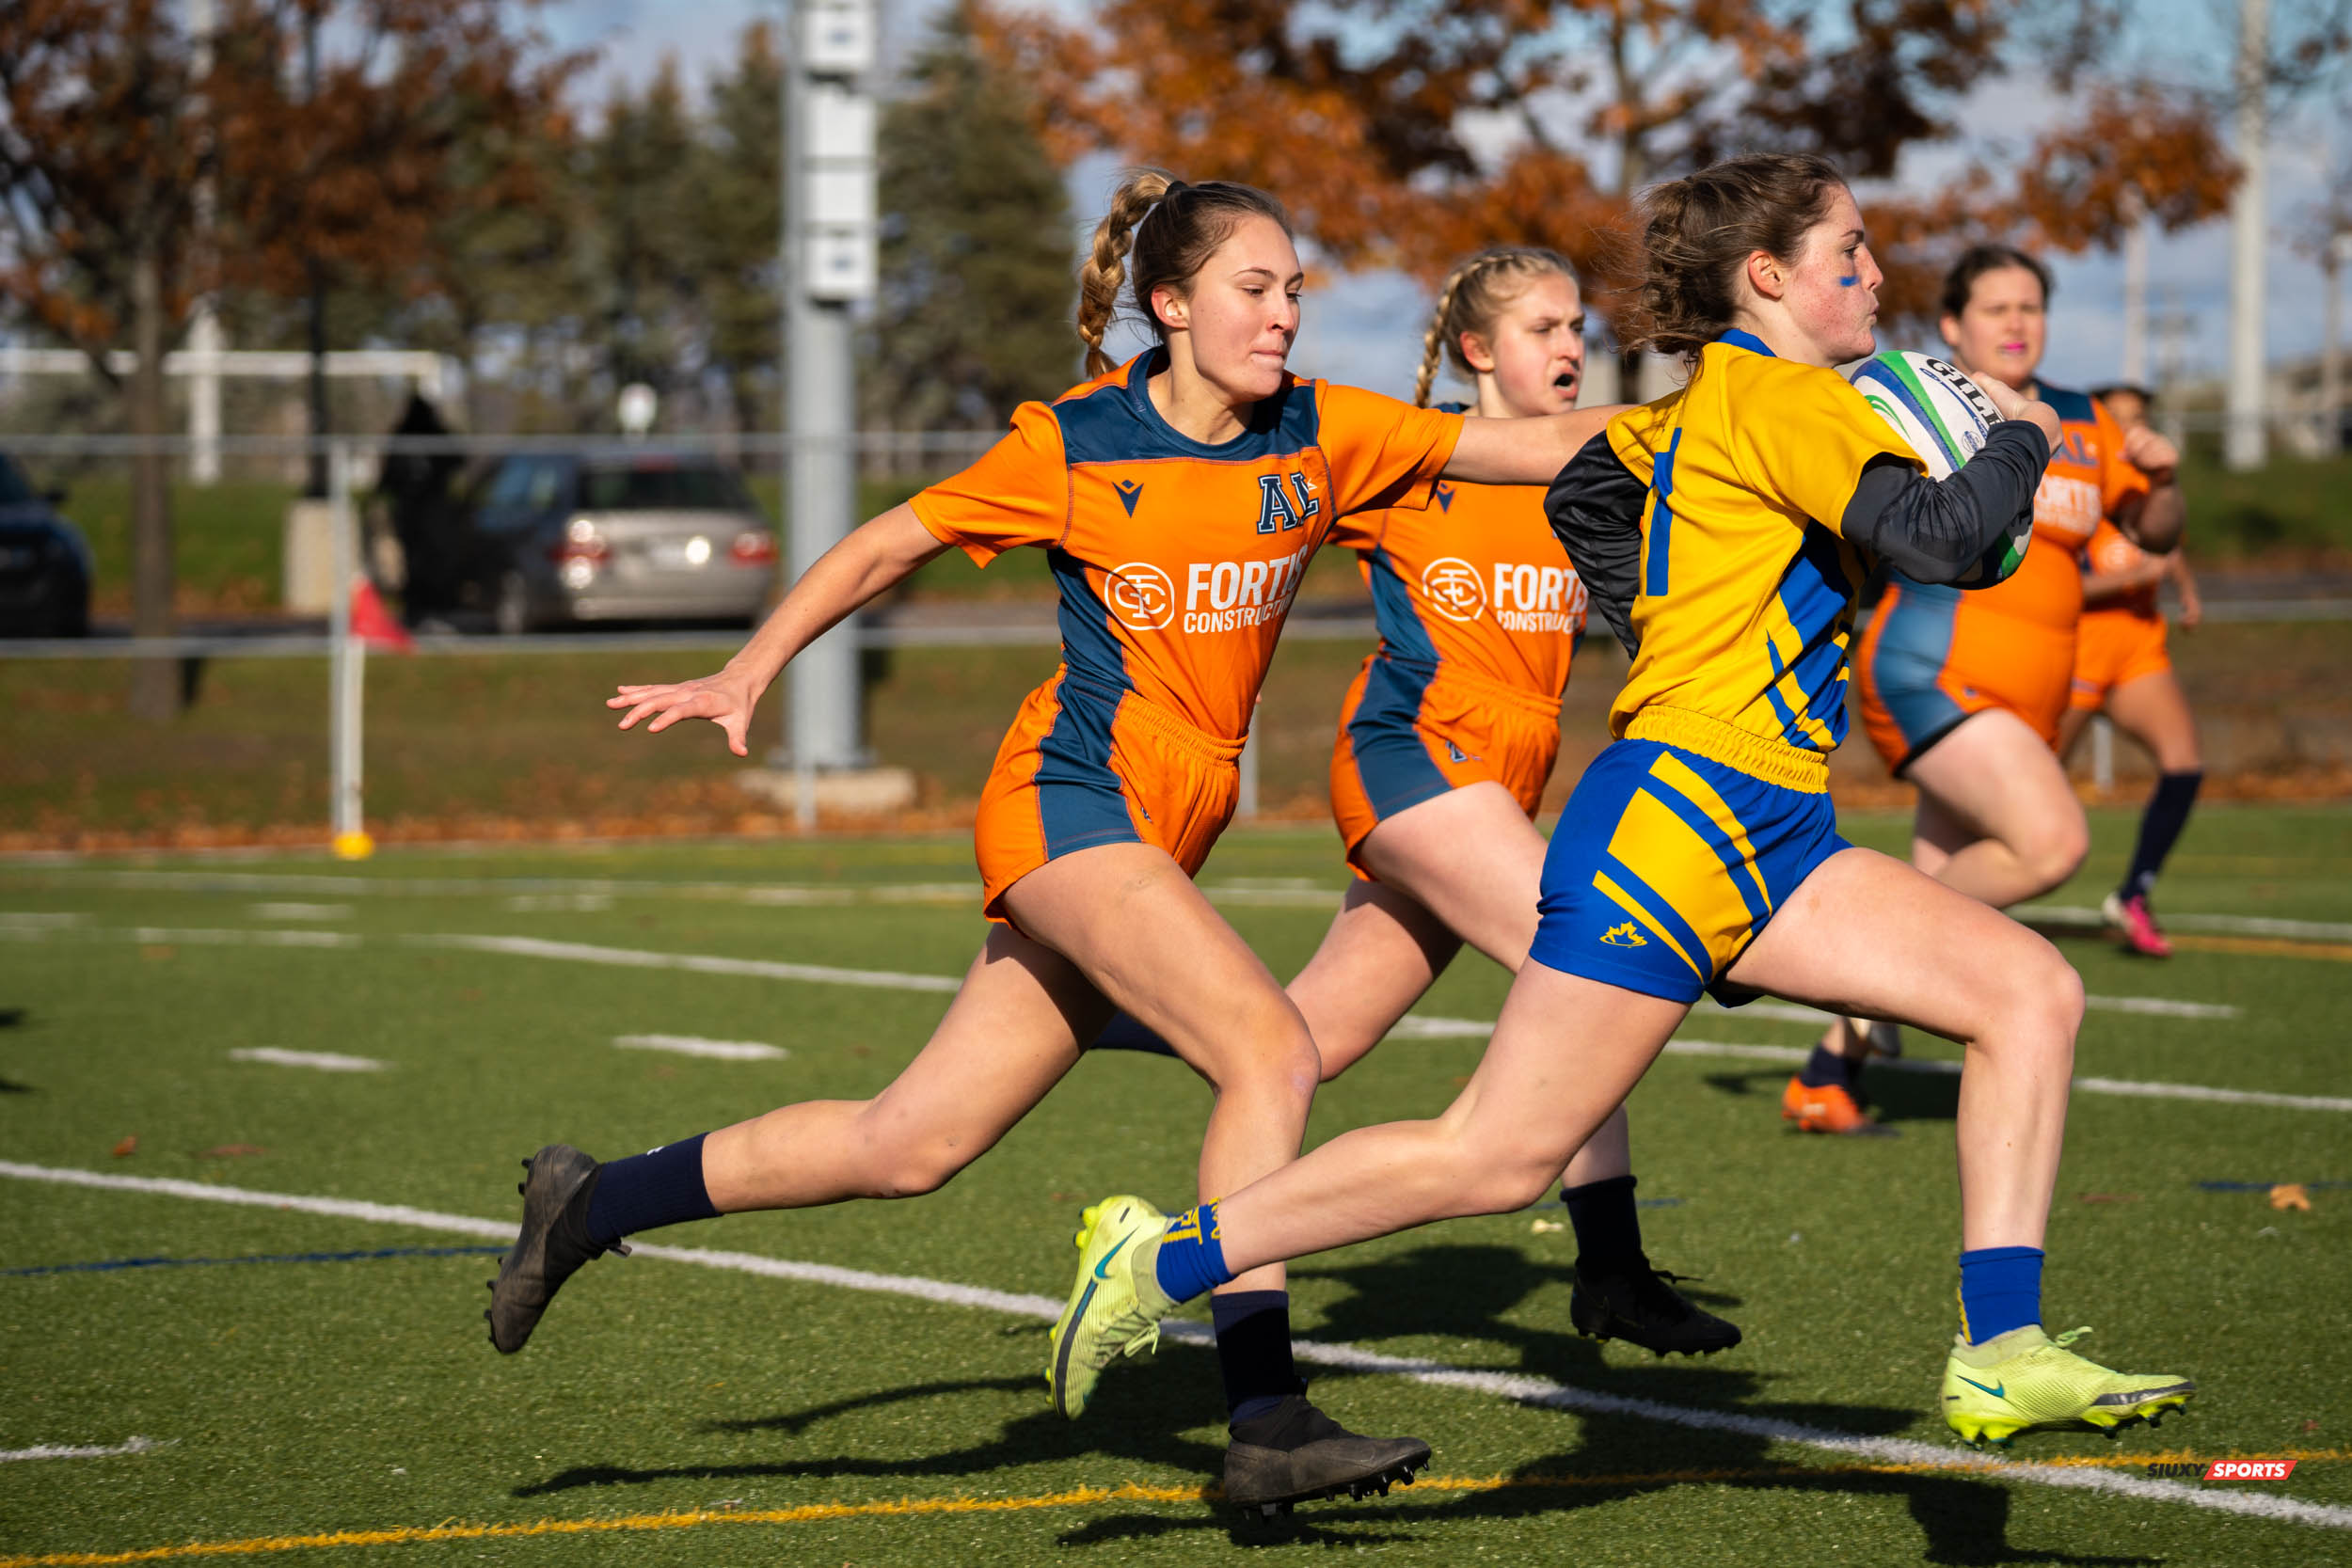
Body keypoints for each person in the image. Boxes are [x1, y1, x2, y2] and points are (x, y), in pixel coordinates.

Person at [482, 170, 1616, 1514]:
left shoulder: (1326, 432)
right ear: (1172, 303)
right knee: (1271, 1045)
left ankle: (591, 1201)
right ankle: (1266, 1415)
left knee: (909, 1141)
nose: (1286, 316)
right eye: (1256, 289)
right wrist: (748, 671)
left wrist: (1756, 414)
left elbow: (1546, 450)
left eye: (1297, 290)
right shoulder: (1076, 444)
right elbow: (880, 549)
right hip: (1068, 803)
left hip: (1159, 833)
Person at [1047, 153, 2195, 1461]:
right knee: (1496, 1156)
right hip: (1683, 817)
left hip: (1774, 825)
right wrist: (2026, 433)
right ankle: (1167, 1255)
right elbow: (1941, 537)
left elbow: (1594, 491)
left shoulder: (1696, 405)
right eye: (1852, 254)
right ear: (1767, 278)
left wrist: (1672, 598)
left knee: (2030, 990)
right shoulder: (1788, 399)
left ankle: (2000, 1350)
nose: (1875, 275)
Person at [1095, 245, 1738, 1358]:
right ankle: (1614, 1270)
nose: (1571, 347)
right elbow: (1243, 482)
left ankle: (1084, 1018)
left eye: (1577, 326)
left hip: (1500, 778)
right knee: (1591, 966)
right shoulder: (1410, 461)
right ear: (1479, 351)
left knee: (1310, 1038)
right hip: (1411, 759)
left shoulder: (1596, 473)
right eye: (1543, 328)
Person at [1800, 248, 2186, 1131]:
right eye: (1994, 307)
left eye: (2031, 308)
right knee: (2050, 843)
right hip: (1932, 676)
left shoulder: (2082, 421)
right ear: (1951, 326)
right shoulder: (1908, 400)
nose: (2016, 323)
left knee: (1940, 876)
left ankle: (1829, 1073)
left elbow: (2155, 530)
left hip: (2025, 705)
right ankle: (1859, 964)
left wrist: (2162, 484)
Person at [2059, 385, 2202, 957]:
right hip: (2078, 651)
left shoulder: (2146, 495)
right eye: (2114, 420)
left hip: (2139, 649)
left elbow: (2167, 548)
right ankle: (1971, 895)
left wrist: (2188, 593)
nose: (2127, 428)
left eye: (2138, 418)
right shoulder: (2074, 497)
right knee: (2035, 785)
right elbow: (2058, 584)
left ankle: (2134, 894)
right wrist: (2125, 581)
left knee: (2184, 765)